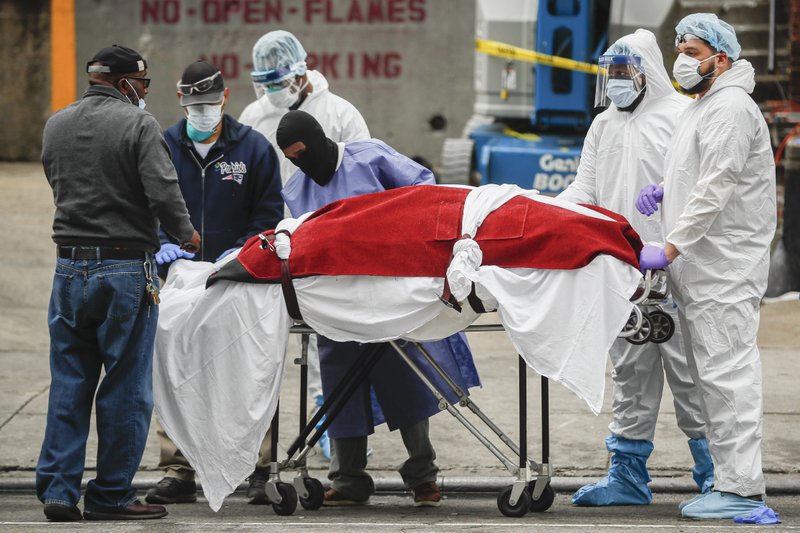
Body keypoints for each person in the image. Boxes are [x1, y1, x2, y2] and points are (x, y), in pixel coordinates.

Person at [276, 110, 480, 507]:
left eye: (302, 153)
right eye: (291, 158)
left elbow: (425, 190)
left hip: (389, 294)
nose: (300, 163)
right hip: (336, 301)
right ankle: (348, 479)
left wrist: (400, 235)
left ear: (318, 141)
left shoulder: (370, 158)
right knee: (340, 388)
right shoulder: (297, 189)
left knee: (407, 379)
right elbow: (295, 240)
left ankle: (422, 475)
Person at [36, 44, 200, 522]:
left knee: (69, 383)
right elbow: (163, 189)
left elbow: (57, 181)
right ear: (126, 82)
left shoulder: (56, 124)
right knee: (126, 388)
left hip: (68, 270)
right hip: (125, 270)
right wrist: (186, 233)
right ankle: (110, 495)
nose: (144, 92)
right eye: (143, 84)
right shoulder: (139, 124)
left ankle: (59, 491)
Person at [558, 29, 712, 507]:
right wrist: (549, 211)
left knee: (691, 373)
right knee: (629, 372)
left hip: (676, 267)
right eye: (612, 73)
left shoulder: (681, 116)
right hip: (624, 270)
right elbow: (585, 188)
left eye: (625, 71)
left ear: (647, 71)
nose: (618, 81)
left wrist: (667, 202)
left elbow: (702, 185)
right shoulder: (603, 125)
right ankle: (627, 476)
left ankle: (718, 474)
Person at [636, 13, 777, 520]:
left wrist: (671, 246)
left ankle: (741, 489)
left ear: (721, 58)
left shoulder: (731, 107)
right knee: (712, 377)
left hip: (724, 268)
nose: (682, 62)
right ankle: (729, 480)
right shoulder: (704, 106)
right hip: (706, 268)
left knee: (728, 374)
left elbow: (718, 184)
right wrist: (665, 189)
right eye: (680, 52)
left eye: (693, 53)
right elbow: (699, 172)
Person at [238, 29, 371, 496]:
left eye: (280, 82)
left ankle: (333, 422)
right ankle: (263, 444)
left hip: (331, 241)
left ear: (300, 73)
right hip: (275, 242)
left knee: (330, 341)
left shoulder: (340, 114)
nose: (274, 92)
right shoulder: (255, 117)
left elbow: (365, 176)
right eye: (266, 84)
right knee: (272, 340)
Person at [145, 60, 283, 505]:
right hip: (180, 277)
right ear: (180, 101)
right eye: (194, 105)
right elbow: (147, 207)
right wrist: (162, 245)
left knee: (251, 370)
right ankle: (179, 466)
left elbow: (269, 215)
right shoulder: (162, 146)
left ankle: (260, 465)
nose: (202, 112)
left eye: (209, 103)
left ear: (225, 98)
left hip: (238, 277)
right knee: (176, 367)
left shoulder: (254, 149)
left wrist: (242, 253)